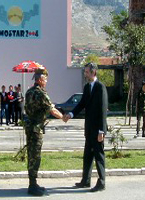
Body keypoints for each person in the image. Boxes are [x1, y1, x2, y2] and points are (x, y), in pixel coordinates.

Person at [64, 63, 108, 192]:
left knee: (99, 156)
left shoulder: (100, 87)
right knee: (88, 155)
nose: (85, 74)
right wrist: (70, 114)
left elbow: (102, 110)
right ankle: (86, 180)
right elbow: (82, 104)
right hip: (88, 129)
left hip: (97, 129)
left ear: (93, 72)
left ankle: (102, 182)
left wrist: (102, 131)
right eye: (85, 72)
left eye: (87, 72)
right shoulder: (87, 87)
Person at [25, 67, 65, 196]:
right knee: (35, 156)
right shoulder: (41, 93)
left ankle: (33, 183)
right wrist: (64, 117)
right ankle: (32, 186)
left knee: (31, 155)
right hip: (36, 129)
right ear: (41, 79)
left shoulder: (29, 92)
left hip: (30, 127)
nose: (46, 81)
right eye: (45, 79)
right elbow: (52, 110)